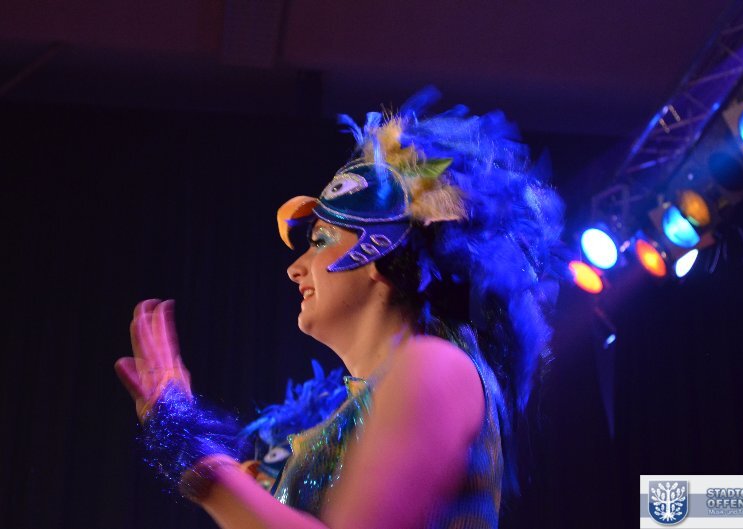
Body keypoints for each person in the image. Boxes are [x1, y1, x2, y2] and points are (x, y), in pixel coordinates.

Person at [115, 87, 563, 529]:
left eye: (320, 241)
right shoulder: (375, 397)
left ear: (379, 252)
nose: (295, 269)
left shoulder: (437, 365)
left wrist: (194, 457)